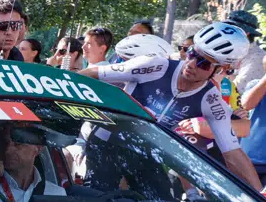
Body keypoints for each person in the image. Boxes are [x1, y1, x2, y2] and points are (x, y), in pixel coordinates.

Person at [84, 20, 263, 190]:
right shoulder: (155, 66)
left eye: (203, 63)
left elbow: (233, 153)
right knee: (100, 197)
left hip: (144, 154)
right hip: (107, 142)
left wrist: (260, 194)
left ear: (221, 69)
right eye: (192, 53)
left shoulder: (211, 100)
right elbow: (92, 73)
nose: (191, 64)